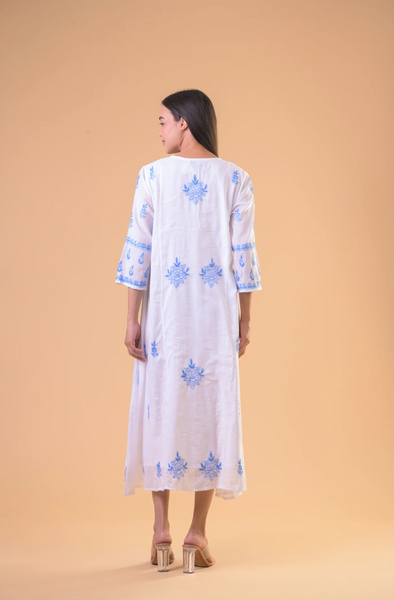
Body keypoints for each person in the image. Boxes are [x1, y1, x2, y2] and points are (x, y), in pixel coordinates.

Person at [115, 89, 262, 572]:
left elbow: (139, 250)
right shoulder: (236, 179)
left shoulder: (151, 176)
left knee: (161, 408)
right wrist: (244, 320)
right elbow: (243, 257)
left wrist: (132, 318)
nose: (159, 131)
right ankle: (197, 534)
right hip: (214, 320)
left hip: (166, 320)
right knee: (211, 413)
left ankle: (161, 531)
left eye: (162, 121)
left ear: (183, 122)